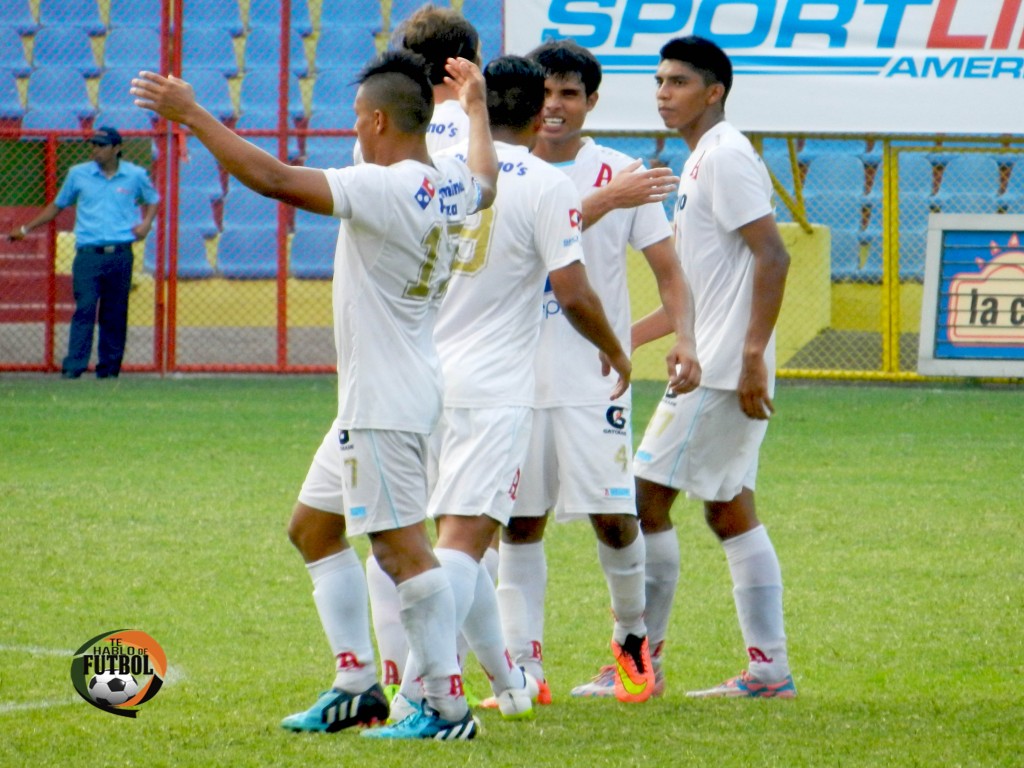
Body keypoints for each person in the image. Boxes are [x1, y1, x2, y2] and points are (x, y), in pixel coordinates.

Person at [133, 49, 499, 739]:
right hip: (384, 395)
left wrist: (190, 114)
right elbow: (485, 180)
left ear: (379, 119)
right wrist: (476, 109)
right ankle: (357, 684)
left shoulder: (384, 188)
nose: (354, 130)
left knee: (400, 551)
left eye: (358, 119)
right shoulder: (444, 182)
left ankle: (448, 708)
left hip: (384, 403)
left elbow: (272, 177)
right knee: (313, 528)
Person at [386, 53, 633, 729]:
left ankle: (509, 677)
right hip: (494, 388)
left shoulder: (444, 164)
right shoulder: (547, 185)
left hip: (426, 376)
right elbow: (573, 290)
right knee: (465, 544)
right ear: (534, 112)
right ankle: (424, 696)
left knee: (465, 536)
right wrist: (614, 347)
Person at [490, 39, 699, 705]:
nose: (556, 106)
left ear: (591, 101)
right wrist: (606, 202)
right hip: (513, 375)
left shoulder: (621, 171)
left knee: (614, 516)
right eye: (546, 94)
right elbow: (550, 231)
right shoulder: (498, 173)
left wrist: (685, 339)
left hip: (591, 378)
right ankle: (524, 667)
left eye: (570, 94)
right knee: (519, 523)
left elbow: (671, 275)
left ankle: (632, 639)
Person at [629, 35, 795, 699]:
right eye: (659, 82)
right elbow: (698, 288)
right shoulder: (701, 161)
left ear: (714, 91)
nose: (663, 93)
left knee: (643, 501)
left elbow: (774, 257)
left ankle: (640, 666)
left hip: (724, 370)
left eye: (677, 82)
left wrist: (751, 355)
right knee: (728, 510)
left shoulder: (725, 157)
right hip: (719, 360)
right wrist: (624, 340)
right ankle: (769, 672)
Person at [361, 3, 490, 698]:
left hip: (403, 354)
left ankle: (407, 679)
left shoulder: (387, 141)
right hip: (486, 362)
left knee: (395, 534)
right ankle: (491, 673)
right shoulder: (488, 142)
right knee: (466, 534)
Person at [10, 126, 159, 379]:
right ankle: (74, 367)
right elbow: (58, 205)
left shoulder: (135, 175)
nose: (96, 150)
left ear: (117, 148)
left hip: (120, 252)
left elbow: (153, 198)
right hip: (88, 254)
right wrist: (27, 227)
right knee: (85, 308)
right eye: (94, 145)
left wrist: (146, 223)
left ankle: (109, 369)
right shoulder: (78, 174)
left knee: (115, 312)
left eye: (102, 146)